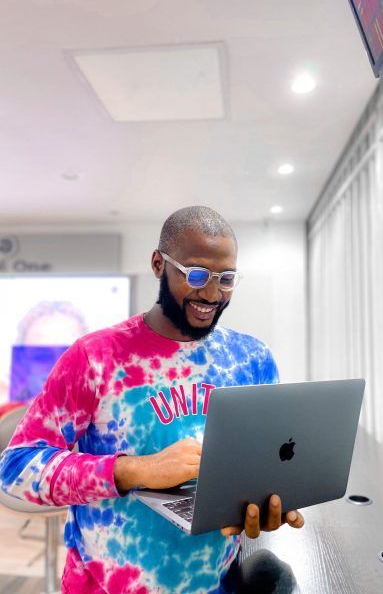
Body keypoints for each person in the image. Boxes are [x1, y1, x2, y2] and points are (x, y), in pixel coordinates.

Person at [0, 206, 304, 593]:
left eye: (225, 279)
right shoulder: (95, 357)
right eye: (196, 274)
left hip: (214, 584)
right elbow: (16, 471)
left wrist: (267, 503)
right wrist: (134, 470)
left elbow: (267, 464)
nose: (211, 293)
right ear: (159, 264)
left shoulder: (251, 360)